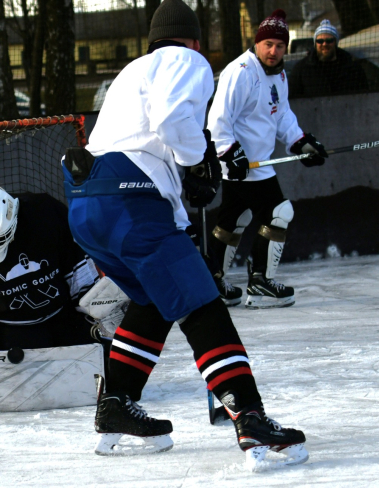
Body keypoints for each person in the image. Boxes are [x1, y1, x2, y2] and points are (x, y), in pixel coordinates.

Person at [62, 0, 308, 467]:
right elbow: (173, 122)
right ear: (193, 40)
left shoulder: (133, 70)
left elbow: (142, 140)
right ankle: (248, 414)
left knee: (154, 301)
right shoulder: (186, 60)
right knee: (200, 300)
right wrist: (198, 161)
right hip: (130, 202)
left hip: (87, 204)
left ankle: (116, 404)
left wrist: (181, 185)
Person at [207, 9, 329, 309]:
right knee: (279, 212)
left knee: (234, 219)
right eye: (268, 45)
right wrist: (228, 151)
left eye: (279, 45)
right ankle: (260, 283)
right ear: (257, 43)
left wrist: (301, 142)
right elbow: (218, 118)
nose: (273, 51)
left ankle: (212, 283)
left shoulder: (279, 74)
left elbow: (282, 115)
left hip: (256, 163)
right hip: (241, 164)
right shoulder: (242, 72)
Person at [0, 185, 116, 351]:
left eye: (0, 235)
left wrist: (95, 310)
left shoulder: (46, 214)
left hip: (61, 316)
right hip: (8, 329)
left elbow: (78, 272)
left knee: (88, 364)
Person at [289, 20, 369, 98]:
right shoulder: (301, 69)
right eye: (320, 41)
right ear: (315, 43)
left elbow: (364, 97)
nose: (324, 44)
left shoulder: (352, 68)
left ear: (335, 42)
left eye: (329, 40)